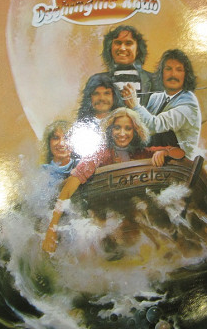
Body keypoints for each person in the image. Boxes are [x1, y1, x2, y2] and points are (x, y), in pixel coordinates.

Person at [42, 108, 185, 253]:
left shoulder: (139, 152)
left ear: (135, 131)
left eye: (128, 128)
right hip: (103, 218)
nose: (122, 133)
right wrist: (52, 228)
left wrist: (164, 152)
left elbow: (180, 153)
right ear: (110, 130)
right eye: (117, 128)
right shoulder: (100, 154)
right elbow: (69, 187)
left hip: (133, 217)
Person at [121, 49, 202, 159]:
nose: (173, 74)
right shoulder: (155, 98)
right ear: (161, 73)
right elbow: (142, 129)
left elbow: (154, 126)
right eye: (168, 69)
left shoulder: (189, 105)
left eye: (179, 70)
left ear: (186, 75)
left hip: (179, 163)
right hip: (153, 160)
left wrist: (135, 106)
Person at [84, 25, 157, 107]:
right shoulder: (96, 80)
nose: (122, 48)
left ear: (138, 49)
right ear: (110, 48)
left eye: (128, 43)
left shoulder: (154, 80)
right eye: (118, 43)